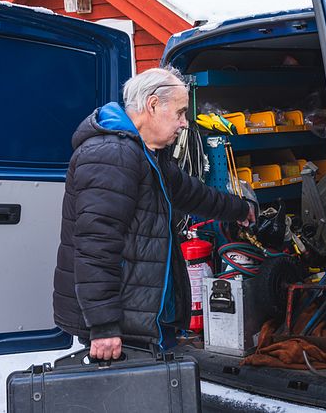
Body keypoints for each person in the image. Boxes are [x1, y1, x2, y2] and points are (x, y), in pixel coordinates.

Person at [53, 67, 254, 360]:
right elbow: (95, 246)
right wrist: (104, 325)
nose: (185, 124)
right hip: (122, 325)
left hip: (142, 314)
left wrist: (240, 209)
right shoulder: (112, 155)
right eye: (180, 113)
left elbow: (192, 193)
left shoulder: (145, 153)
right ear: (153, 105)